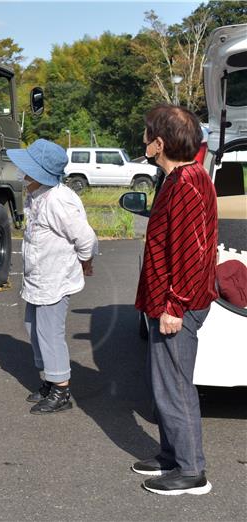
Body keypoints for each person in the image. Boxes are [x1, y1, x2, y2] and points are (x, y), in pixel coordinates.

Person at [131, 105, 217, 496]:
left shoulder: (186, 183)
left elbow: (190, 250)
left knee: (176, 386)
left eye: (147, 135)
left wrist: (175, 305)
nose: (144, 141)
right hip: (166, 301)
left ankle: (191, 470)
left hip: (176, 304)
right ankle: (170, 454)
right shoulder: (181, 178)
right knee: (163, 382)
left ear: (159, 144)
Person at [7, 139, 97, 415]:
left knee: (49, 332)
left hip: (55, 279)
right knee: (33, 326)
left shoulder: (58, 199)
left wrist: (86, 262)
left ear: (41, 173)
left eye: (29, 170)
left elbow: (85, 237)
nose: (23, 174)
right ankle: (49, 378)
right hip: (39, 277)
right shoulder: (38, 194)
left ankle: (61, 388)